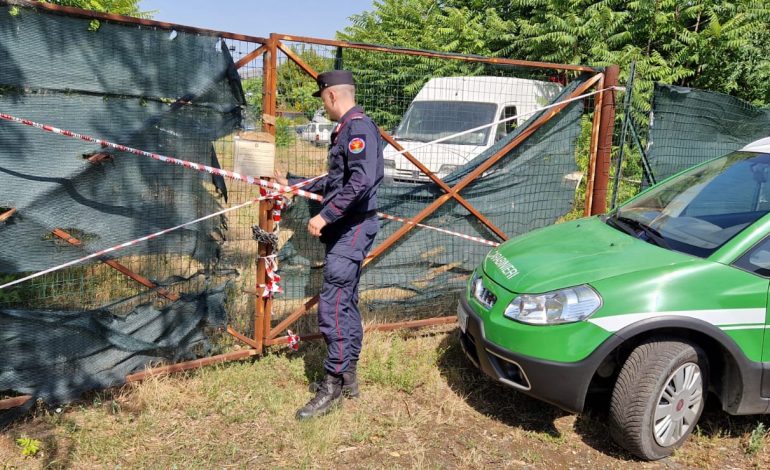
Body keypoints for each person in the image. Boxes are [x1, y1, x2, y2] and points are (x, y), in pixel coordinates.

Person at [275, 70, 384, 420]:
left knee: (334, 304)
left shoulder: (358, 128)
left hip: (352, 226)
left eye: (322, 98)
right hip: (347, 227)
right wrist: (294, 183)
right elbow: (337, 180)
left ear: (332, 96)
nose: (323, 104)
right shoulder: (347, 130)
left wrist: (326, 215)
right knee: (346, 300)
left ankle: (332, 384)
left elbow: (362, 181)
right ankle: (348, 375)